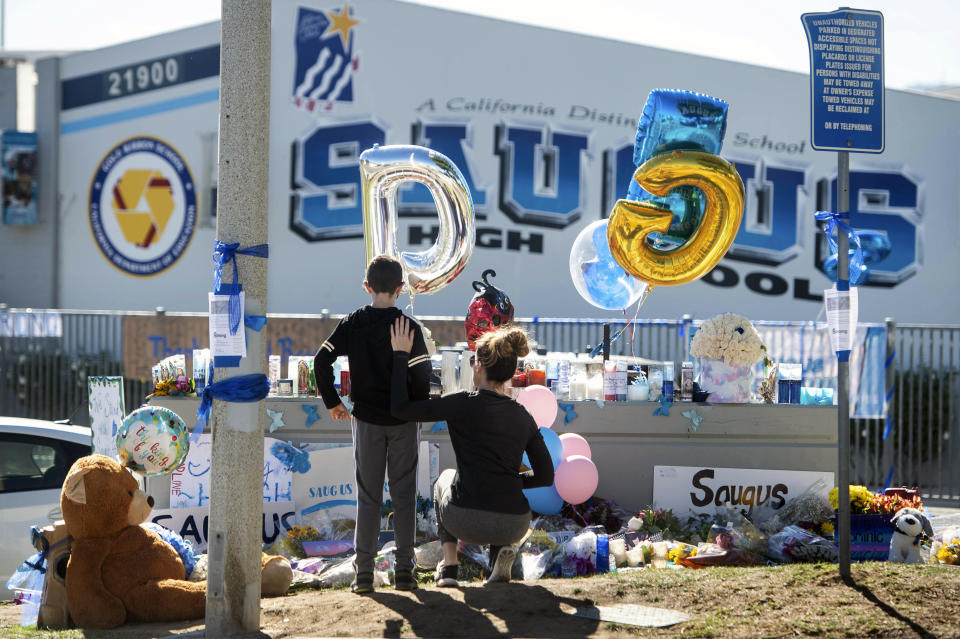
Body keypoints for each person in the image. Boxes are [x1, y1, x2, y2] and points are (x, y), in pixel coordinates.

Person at [389, 317, 554, 586]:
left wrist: (399, 356)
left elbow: (401, 409)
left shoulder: (462, 404)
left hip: (465, 520)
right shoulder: (523, 416)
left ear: (479, 368)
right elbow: (546, 476)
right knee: (499, 492)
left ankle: (450, 567)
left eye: (473, 361)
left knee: (445, 479)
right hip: (514, 522)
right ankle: (500, 556)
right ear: (510, 373)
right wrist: (512, 481)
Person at [314, 255, 432, 594]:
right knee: (404, 495)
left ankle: (363, 574)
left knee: (368, 497)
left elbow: (322, 361)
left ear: (367, 287)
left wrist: (333, 401)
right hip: (404, 421)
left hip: (365, 419)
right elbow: (423, 380)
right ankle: (405, 572)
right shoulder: (410, 327)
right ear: (400, 289)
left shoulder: (354, 322)